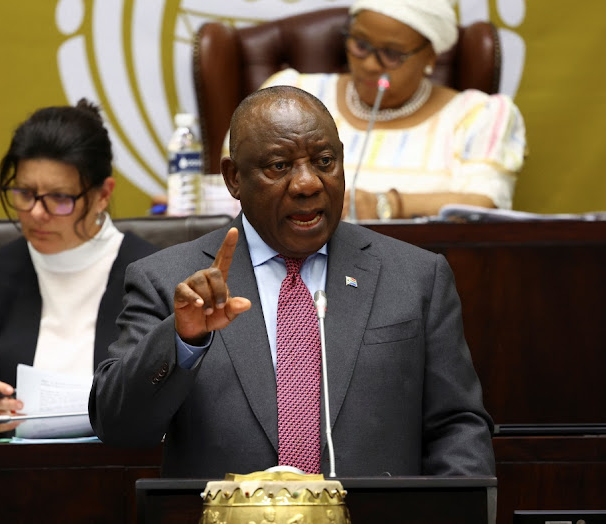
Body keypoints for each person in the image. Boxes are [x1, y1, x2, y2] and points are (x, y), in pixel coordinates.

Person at [90, 85, 495, 478]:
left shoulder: (416, 276)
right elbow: (120, 429)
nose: (308, 184)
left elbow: (457, 428)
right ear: (233, 178)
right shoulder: (166, 280)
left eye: (324, 161)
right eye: (279, 166)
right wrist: (183, 341)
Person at [0, 99, 157, 440]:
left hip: (124, 474)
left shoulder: (155, 278)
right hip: (4, 480)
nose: (36, 213)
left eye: (60, 198)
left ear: (103, 194)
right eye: (25, 193)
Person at [225, 0, 526, 220]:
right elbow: (235, 179)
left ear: (431, 56)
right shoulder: (294, 93)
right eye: (360, 45)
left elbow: (486, 205)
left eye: (391, 54)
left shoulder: (475, 115)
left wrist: (387, 205)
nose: (369, 64)